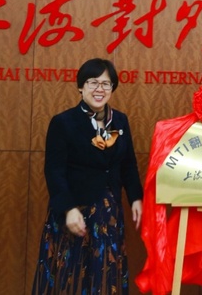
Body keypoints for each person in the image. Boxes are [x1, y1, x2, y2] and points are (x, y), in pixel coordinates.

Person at [32, 58, 143, 294]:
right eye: (93, 82)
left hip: (108, 214)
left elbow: (128, 165)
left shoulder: (119, 121)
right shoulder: (63, 122)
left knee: (105, 276)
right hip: (76, 212)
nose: (99, 89)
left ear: (112, 88)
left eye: (106, 84)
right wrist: (68, 209)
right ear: (81, 87)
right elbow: (54, 171)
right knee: (69, 276)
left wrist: (136, 198)